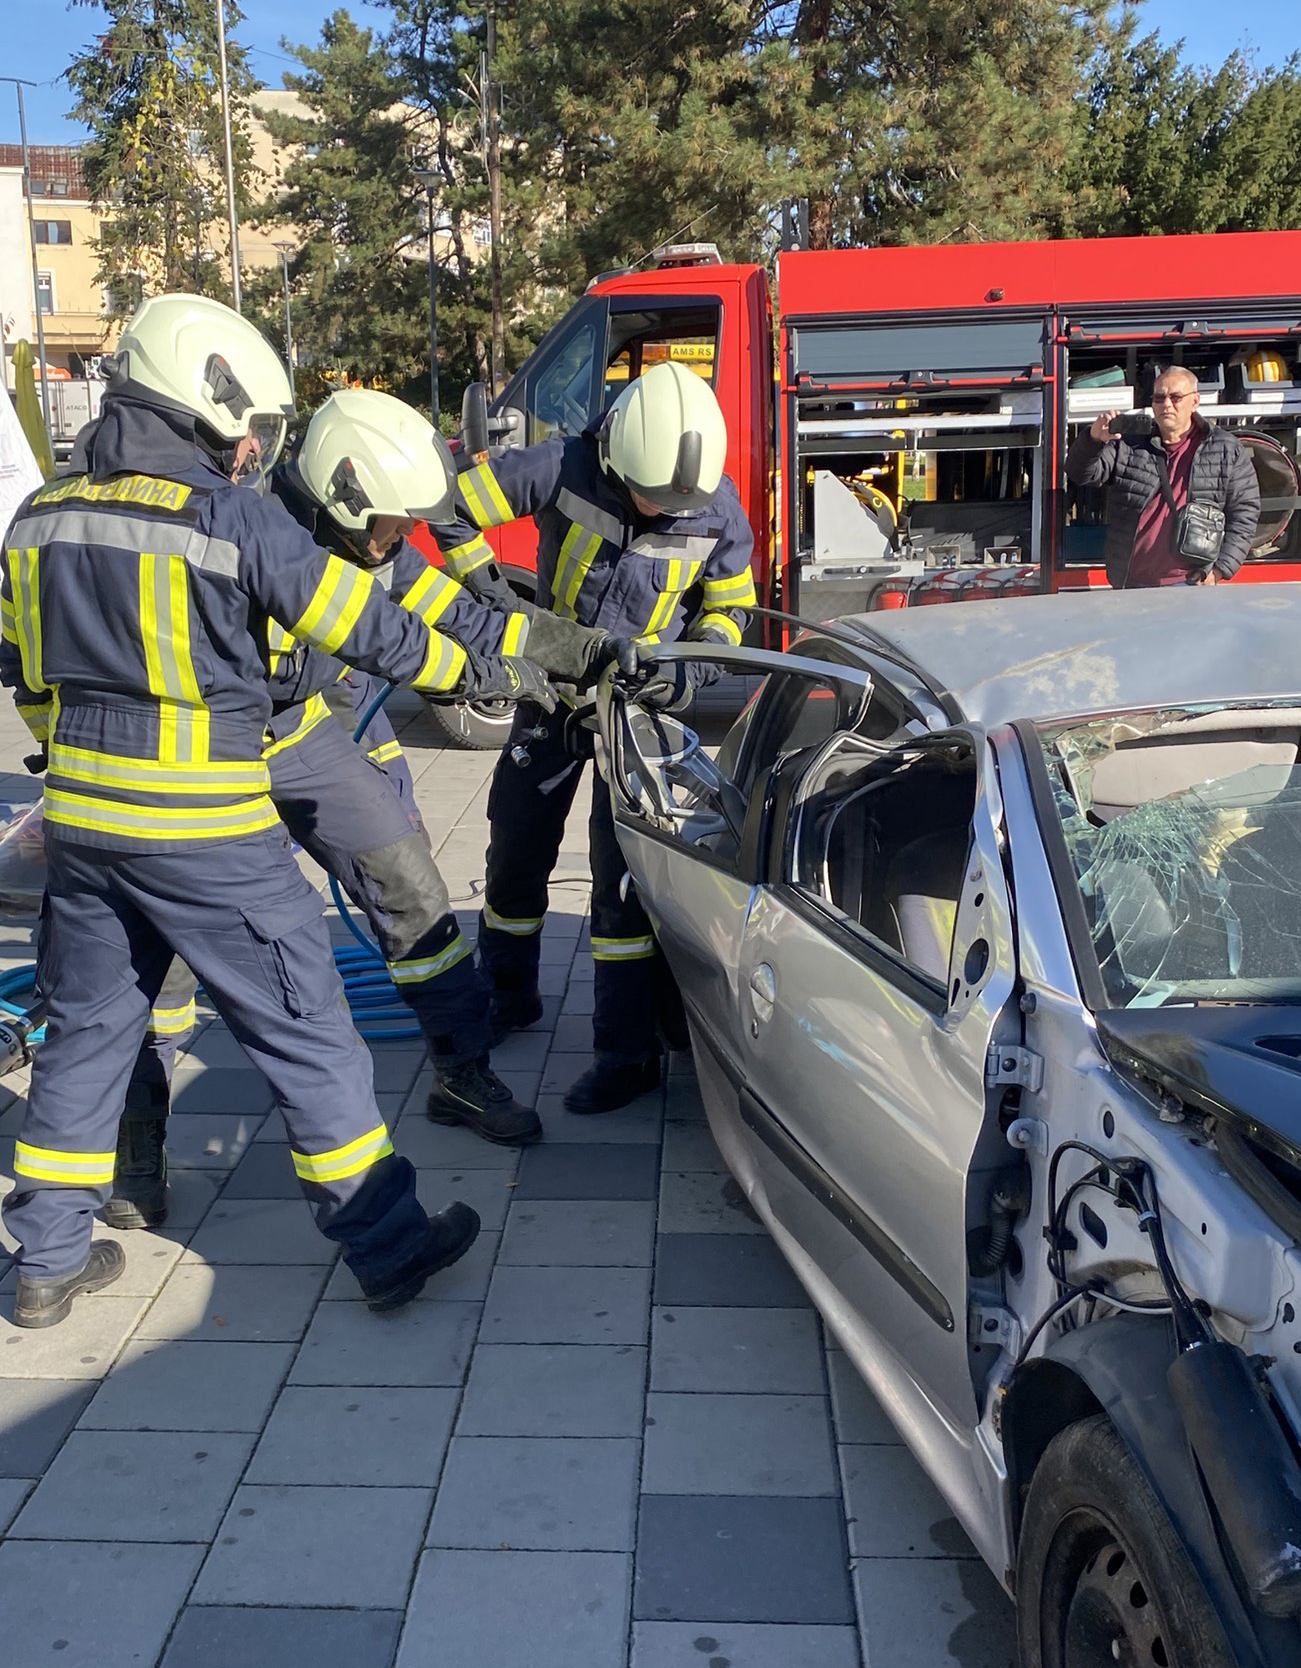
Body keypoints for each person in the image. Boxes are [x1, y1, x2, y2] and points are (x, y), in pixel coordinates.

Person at [0, 293, 551, 1329]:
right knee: (310, 1034)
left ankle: (46, 1262)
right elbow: (368, 629)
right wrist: (482, 665)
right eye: (240, 428)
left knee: (83, 1037)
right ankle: (388, 1246)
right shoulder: (232, 516)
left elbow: (21, 672)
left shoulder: (37, 519)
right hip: (206, 827)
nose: (250, 447)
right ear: (195, 407)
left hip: (81, 827)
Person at [108, 390, 633, 1231]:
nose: (399, 538)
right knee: (159, 940)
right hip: (200, 748)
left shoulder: (368, 541)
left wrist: (589, 653)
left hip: (297, 730)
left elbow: (466, 615)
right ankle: (138, 1142)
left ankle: (461, 1068)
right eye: (392, 522)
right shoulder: (238, 528)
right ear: (346, 498)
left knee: (409, 880)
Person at [437, 361, 758, 1115]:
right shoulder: (562, 465)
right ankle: (507, 996)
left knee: (623, 883)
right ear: (615, 458)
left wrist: (689, 677)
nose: (660, 516)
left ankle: (626, 1053)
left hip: (640, 709)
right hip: (551, 693)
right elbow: (450, 506)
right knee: (515, 852)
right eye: (647, 501)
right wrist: (488, 590)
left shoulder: (715, 504)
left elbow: (731, 608)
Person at [1066, 365, 1260, 588]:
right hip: (1130, 583)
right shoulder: (1128, 443)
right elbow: (1080, 474)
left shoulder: (1225, 448)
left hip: (1190, 584)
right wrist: (1093, 439)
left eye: (1176, 397)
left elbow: (1245, 513)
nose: (1166, 404)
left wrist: (1220, 570)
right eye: (1159, 398)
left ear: (1195, 402)